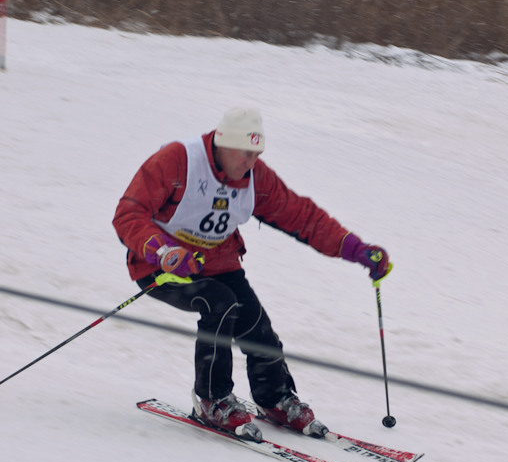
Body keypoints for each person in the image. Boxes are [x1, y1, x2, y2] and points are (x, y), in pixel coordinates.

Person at [113, 107, 390, 441]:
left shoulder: (256, 178)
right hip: (160, 266)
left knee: (256, 324)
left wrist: (356, 249)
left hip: (218, 263)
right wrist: (162, 250)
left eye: (256, 155)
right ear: (222, 144)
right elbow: (129, 213)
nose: (250, 163)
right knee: (220, 304)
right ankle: (212, 399)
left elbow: (303, 217)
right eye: (245, 154)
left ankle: (274, 399)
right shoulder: (177, 160)